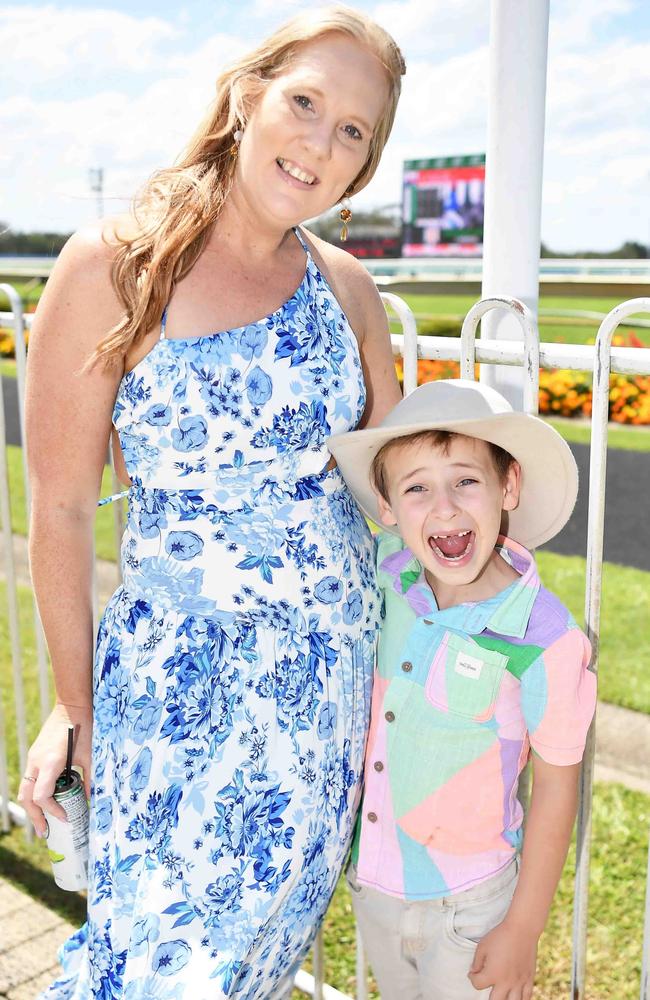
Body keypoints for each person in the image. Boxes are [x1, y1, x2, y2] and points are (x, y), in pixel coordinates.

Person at [19, 7, 405, 998]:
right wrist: (75, 709)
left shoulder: (350, 291)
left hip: (323, 701)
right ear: (247, 96)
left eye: (353, 130)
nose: (321, 140)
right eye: (305, 102)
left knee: (251, 970)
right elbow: (59, 510)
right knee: (157, 973)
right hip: (174, 700)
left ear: (362, 166)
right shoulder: (113, 266)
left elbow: (404, 497)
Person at [328, 378, 597, 1000]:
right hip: (375, 883)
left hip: (471, 908)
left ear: (509, 486)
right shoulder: (388, 573)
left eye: (465, 480)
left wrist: (523, 929)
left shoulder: (544, 637)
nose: (444, 507)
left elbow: (558, 789)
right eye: (416, 487)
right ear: (389, 507)